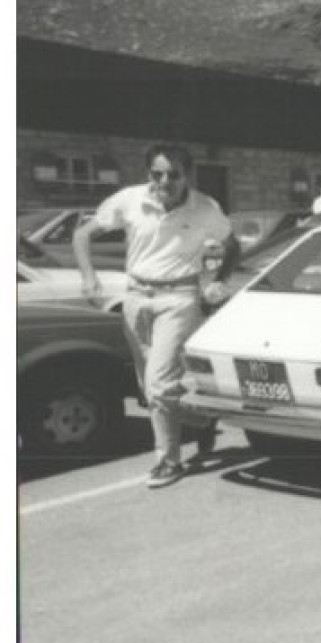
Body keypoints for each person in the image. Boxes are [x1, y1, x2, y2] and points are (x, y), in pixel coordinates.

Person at [73, 144, 241, 489]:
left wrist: (220, 281)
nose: (165, 182)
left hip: (178, 298)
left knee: (158, 384)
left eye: (174, 175)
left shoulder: (205, 208)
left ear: (187, 176)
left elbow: (233, 245)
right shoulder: (130, 200)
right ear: (148, 173)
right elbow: (82, 234)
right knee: (150, 387)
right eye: (157, 174)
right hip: (136, 297)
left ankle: (168, 461)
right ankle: (201, 418)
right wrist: (89, 277)